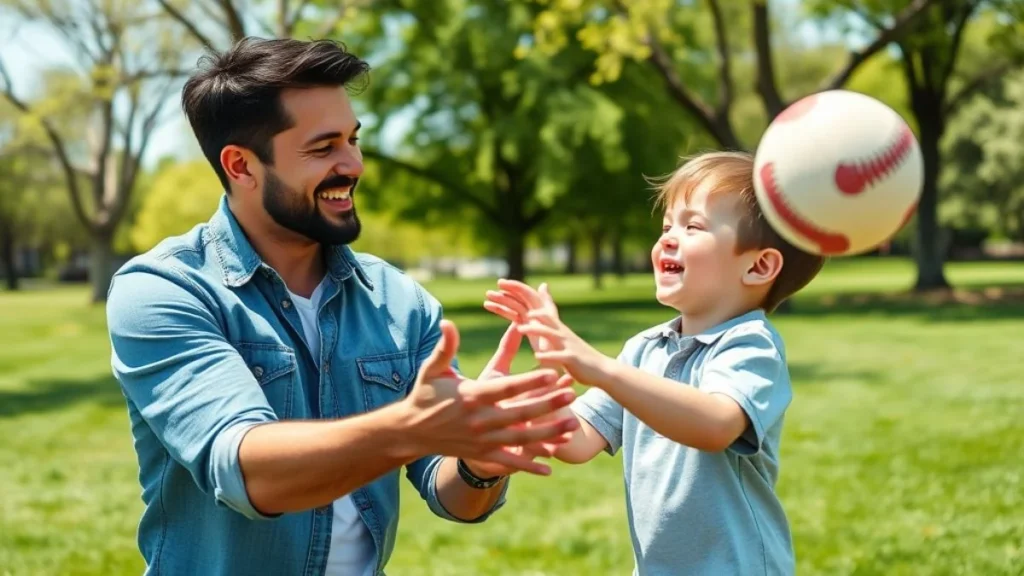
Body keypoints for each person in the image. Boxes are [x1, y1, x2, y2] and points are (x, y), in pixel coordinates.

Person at [104, 37, 579, 576]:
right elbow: (246, 472)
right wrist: (409, 428)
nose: (353, 164)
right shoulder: (165, 290)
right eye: (323, 147)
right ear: (240, 166)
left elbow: (454, 497)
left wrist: (480, 461)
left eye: (353, 140)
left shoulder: (398, 301)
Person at [484, 151, 826, 575]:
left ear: (758, 266)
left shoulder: (750, 346)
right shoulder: (644, 350)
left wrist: (598, 366)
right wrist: (522, 406)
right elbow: (576, 442)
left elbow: (716, 425)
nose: (667, 238)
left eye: (693, 226)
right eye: (666, 227)